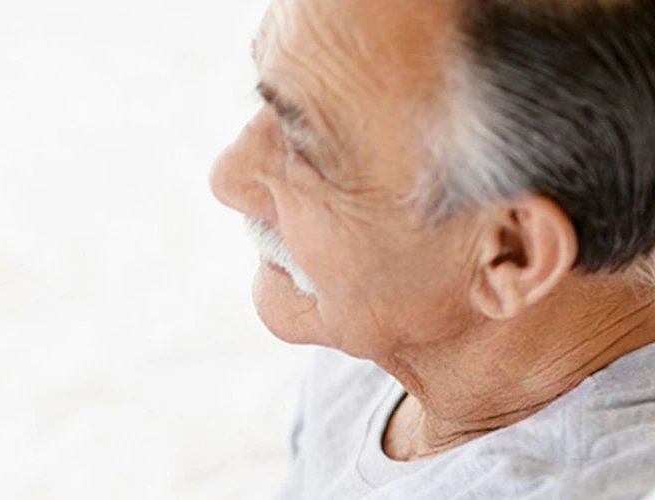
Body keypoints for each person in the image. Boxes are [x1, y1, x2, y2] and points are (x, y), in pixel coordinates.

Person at [210, 0, 655, 497]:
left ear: (511, 254)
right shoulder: (381, 318)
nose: (227, 179)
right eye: (265, 93)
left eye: (306, 146)